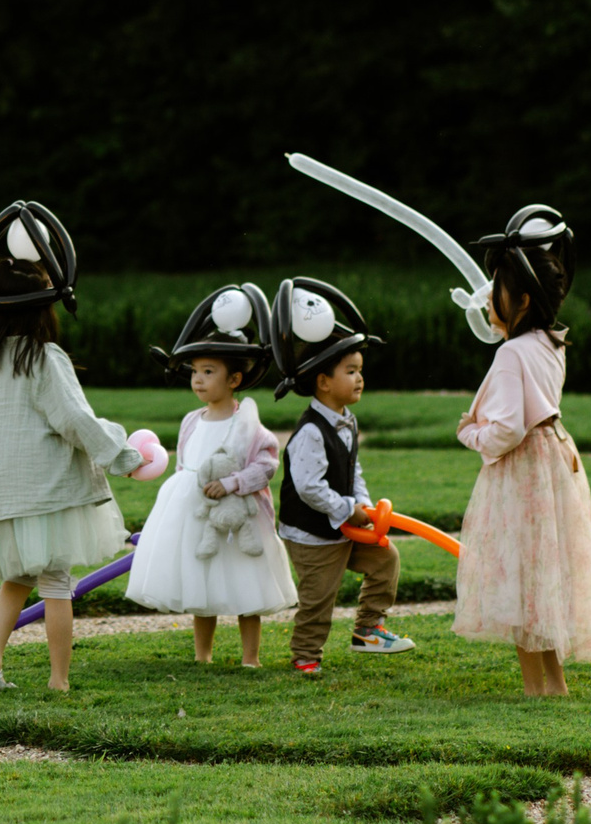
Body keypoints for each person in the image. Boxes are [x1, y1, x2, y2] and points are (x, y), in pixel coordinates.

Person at [0, 201, 165, 692]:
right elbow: (74, 420)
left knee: (17, 581)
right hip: (44, 491)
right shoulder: (43, 357)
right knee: (57, 584)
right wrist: (124, 456)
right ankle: (59, 681)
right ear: (42, 308)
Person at [452, 206, 591, 694]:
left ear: (522, 301)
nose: (488, 303)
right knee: (544, 570)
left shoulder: (510, 353)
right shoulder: (551, 344)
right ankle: (555, 682)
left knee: (521, 573)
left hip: (524, 466)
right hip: (553, 456)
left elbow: (506, 429)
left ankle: (534, 686)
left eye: (497, 294)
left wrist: (470, 433)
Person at [126, 286, 296, 665]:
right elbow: (187, 462)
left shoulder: (247, 423)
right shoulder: (192, 420)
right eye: (195, 372)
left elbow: (267, 464)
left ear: (234, 380)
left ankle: (250, 657)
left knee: (245, 582)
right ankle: (203, 654)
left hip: (238, 517)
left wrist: (234, 484)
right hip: (196, 514)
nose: (198, 380)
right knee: (202, 581)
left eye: (208, 372)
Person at [270, 276, 415, 675]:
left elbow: (353, 470)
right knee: (321, 595)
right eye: (350, 370)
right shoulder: (312, 432)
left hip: (343, 523)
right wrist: (349, 509)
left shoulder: (347, 422)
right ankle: (305, 654)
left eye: (360, 370)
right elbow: (310, 489)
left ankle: (368, 630)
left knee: (385, 558)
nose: (359, 378)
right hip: (312, 533)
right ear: (323, 381)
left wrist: (363, 502)